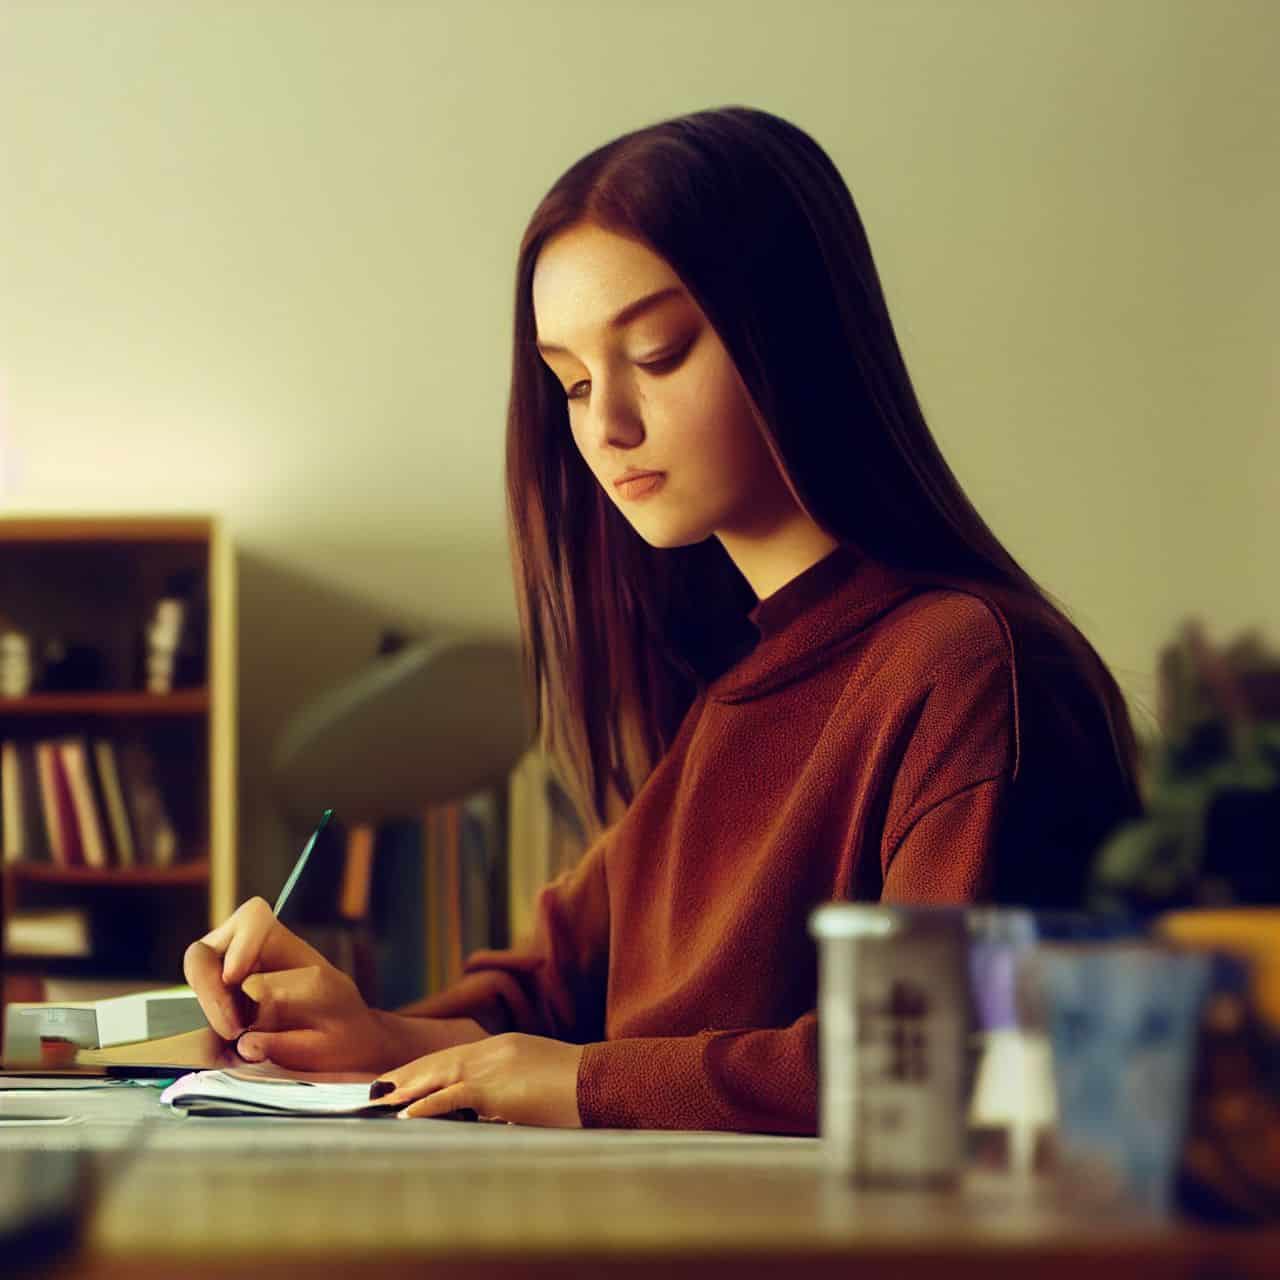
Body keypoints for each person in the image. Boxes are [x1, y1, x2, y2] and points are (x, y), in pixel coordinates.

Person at [185, 105, 1143, 1134]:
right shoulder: (730, 689)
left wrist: (587, 1083)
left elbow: (928, 1055)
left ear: (792, 334)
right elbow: (549, 999)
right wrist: (365, 1031)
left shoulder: (961, 665)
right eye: (573, 380)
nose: (607, 425)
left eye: (658, 350)